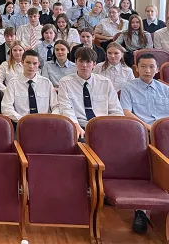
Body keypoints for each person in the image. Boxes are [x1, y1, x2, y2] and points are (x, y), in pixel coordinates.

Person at [119, 53, 169, 235]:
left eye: (151, 67)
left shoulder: (165, 89)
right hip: (142, 133)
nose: (147, 70)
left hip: (165, 133)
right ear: (136, 68)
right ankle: (140, 210)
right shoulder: (128, 87)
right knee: (144, 167)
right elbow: (125, 112)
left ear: (157, 69)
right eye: (143, 66)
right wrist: (149, 127)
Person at [57, 47, 123, 140]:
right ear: (75, 62)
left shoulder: (105, 82)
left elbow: (116, 110)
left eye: (88, 62)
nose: (84, 65)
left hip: (103, 125)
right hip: (79, 124)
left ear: (94, 64)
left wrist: (112, 128)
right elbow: (65, 108)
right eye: (81, 61)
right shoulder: (65, 82)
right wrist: (75, 126)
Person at [1, 50, 59, 123]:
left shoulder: (46, 83)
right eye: (28, 62)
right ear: (22, 62)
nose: (31, 66)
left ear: (38, 64)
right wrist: (23, 120)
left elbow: (56, 106)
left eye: (35, 63)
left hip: (45, 123)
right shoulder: (13, 83)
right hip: (21, 123)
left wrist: (50, 119)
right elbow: (6, 107)